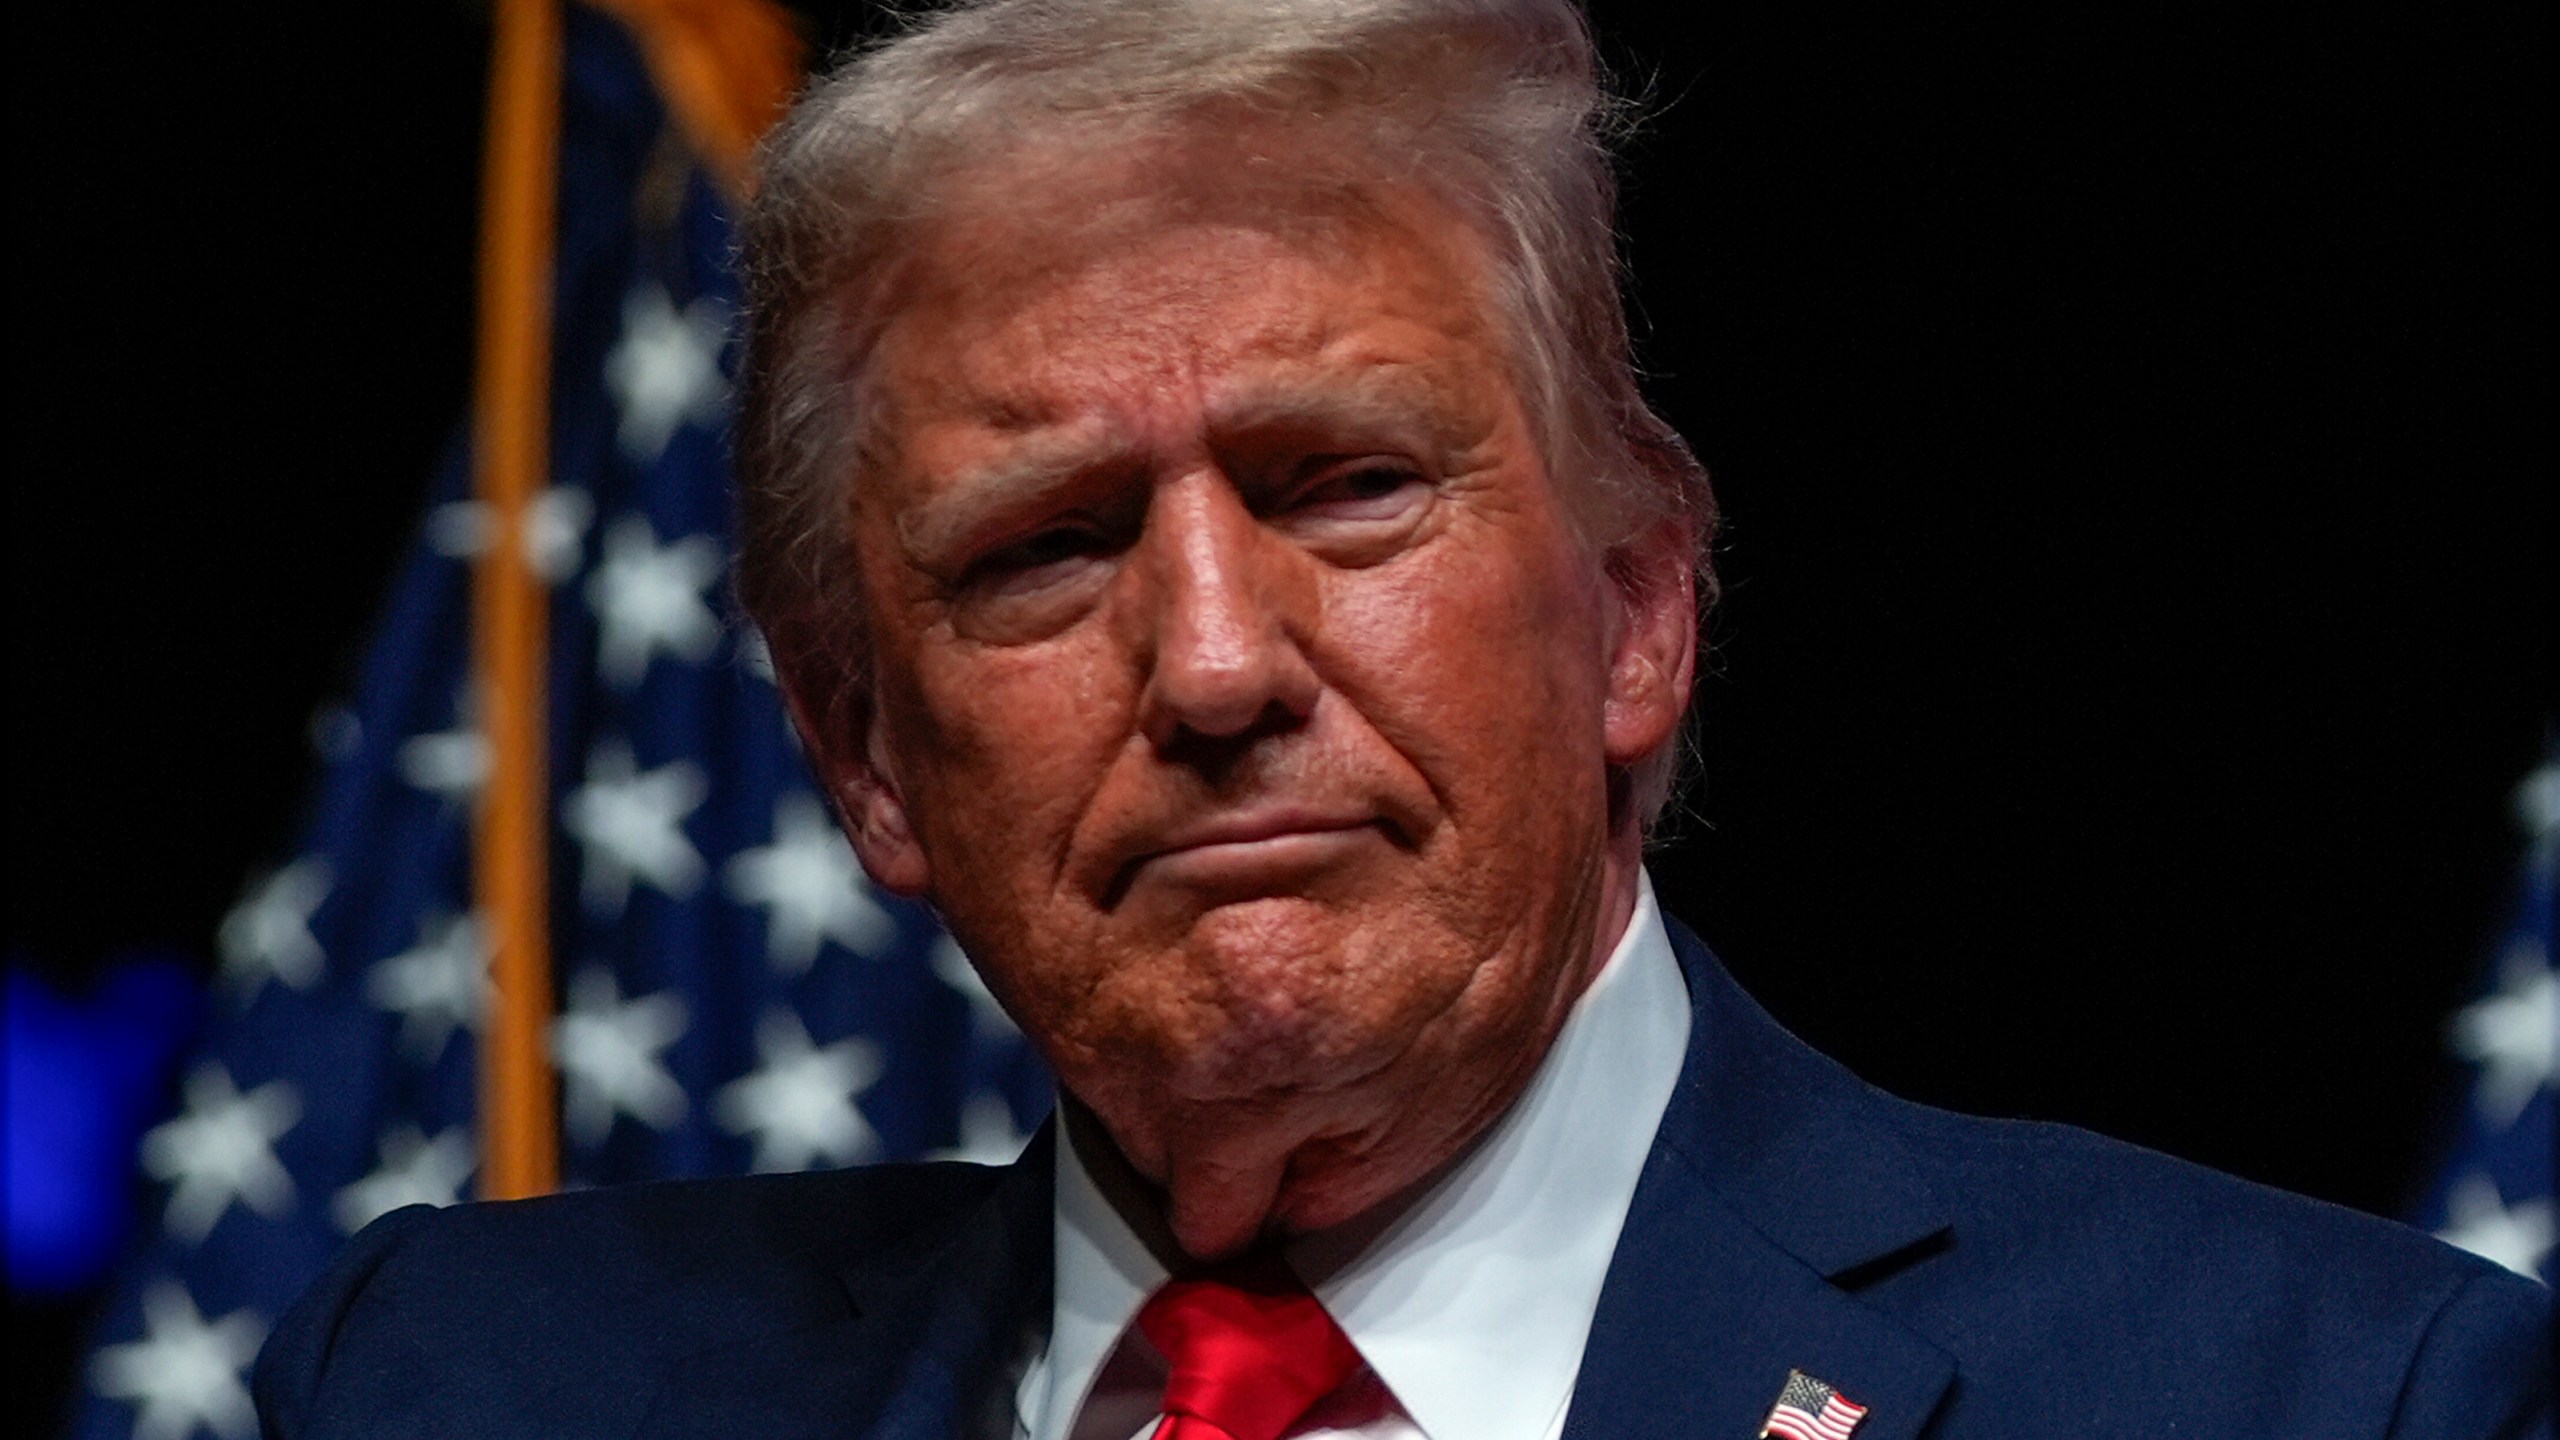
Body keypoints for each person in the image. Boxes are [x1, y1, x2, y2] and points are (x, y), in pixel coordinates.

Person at [253, 2, 2550, 1436]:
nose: (1218, 665)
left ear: (1635, 607)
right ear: (863, 748)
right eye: (1043, 546)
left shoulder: (2317, 1394)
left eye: (1342, 487)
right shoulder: (457, 1384)